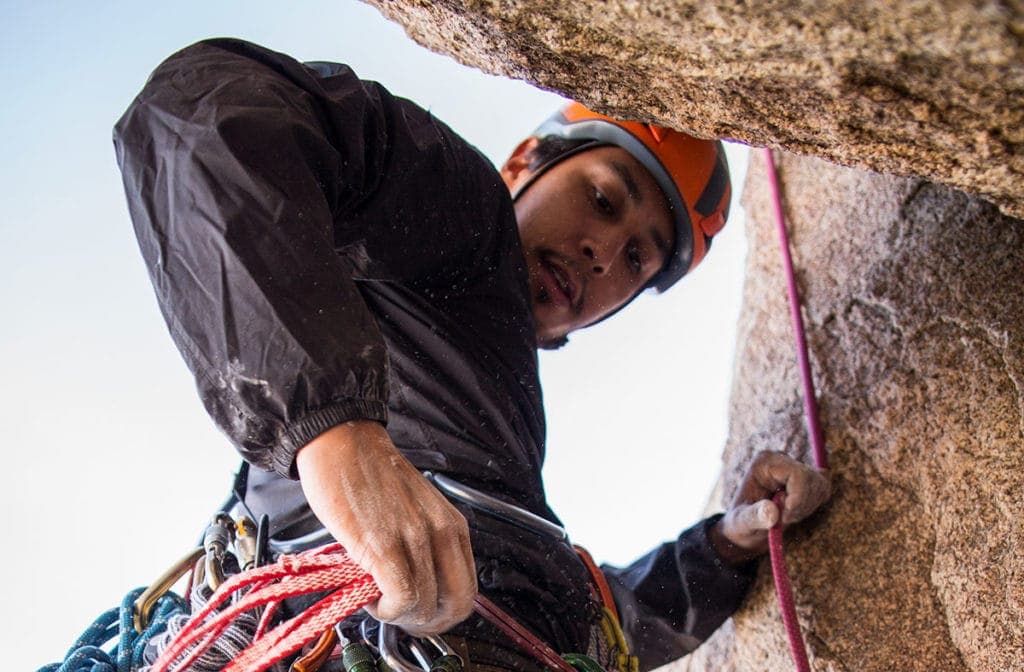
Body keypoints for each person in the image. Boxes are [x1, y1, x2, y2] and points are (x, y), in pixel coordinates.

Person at [114, 38, 830, 672]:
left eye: (637, 258)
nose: (603, 253)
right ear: (527, 160)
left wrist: (725, 546)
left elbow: (596, 627)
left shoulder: (496, 416)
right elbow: (206, 107)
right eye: (604, 200)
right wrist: (332, 434)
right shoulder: (459, 216)